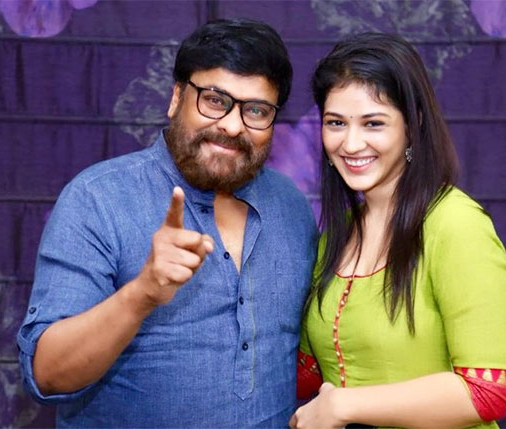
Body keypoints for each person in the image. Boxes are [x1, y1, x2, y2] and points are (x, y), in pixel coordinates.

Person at [17, 18, 318, 428]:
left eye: (256, 110)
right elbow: (47, 375)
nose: (232, 125)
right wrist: (141, 294)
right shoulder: (98, 199)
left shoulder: (291, 206)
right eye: (215, 100)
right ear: (177, 97)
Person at [290, 33, 506, 429]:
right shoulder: (335, 237)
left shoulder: (456, 223)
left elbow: (488, 390)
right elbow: (310, 372)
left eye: (373, 123)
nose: (351, 143)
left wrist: (343, 405)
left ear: (413, 125)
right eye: (336, 123)